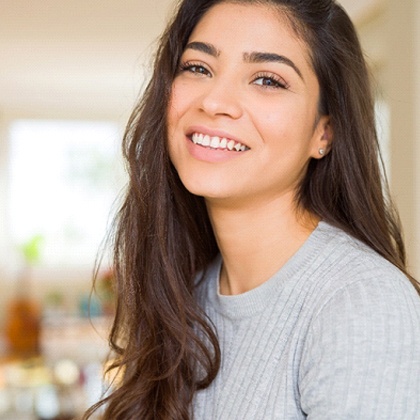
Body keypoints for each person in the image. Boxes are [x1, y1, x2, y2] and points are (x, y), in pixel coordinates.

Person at [84, 0, 420, 418]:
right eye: (198, 67)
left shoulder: (361, 304)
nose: (215, 102)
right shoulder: (186, 294)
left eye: (266, 79)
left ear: (324, 132)